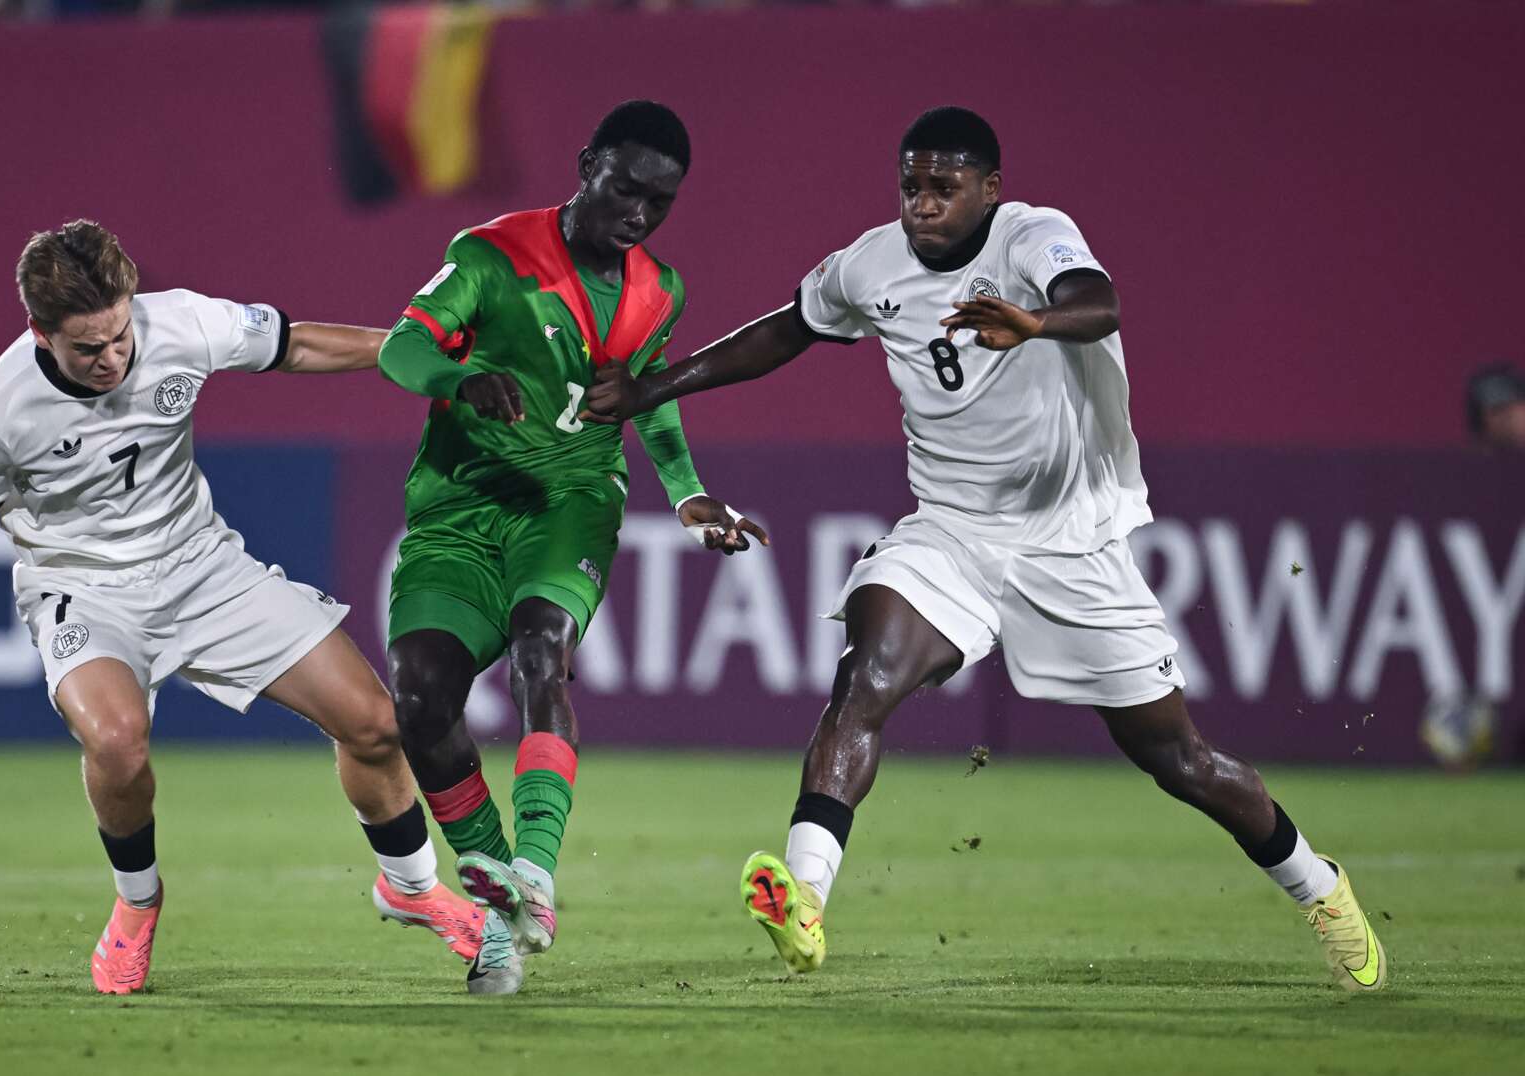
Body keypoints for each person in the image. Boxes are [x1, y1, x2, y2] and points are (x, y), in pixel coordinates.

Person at [582, 107, 1387, 992]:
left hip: (1070, 539)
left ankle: (1320, 887)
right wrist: (655, 384)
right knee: (865, 678)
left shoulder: (1032, 236)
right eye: (911, 186)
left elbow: (1099, 302)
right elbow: (786, 331)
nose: (922, 205)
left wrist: (1034, 324)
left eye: (944, 187)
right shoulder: (871, 263)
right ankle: (803, 900)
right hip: (952, 530)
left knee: (1180, 761)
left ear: (989, 189)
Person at [0, 220, 484, 996]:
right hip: (80, 585)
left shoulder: (183, 322)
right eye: (88, 348)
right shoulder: (0, 407)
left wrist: (416, 355)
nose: (112, 358)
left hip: (202, 567)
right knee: (119, 741)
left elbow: (295, 344)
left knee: (374, 723)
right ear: (40, 332)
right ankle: (137, 904)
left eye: (119, 336)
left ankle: (412, 885)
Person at [377, 100, 766, 995]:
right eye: (625, 188)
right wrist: (460, 378)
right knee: (420, 700)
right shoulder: (492, 256)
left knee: (541, 650)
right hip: (460, 508)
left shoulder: (658, 291)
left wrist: (687, 490)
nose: (638, 214)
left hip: (571, 503)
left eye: (659, 203)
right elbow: (402, 349)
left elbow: (643, 396)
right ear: (586, 162)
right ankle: (499, 903)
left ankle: (538, 881)